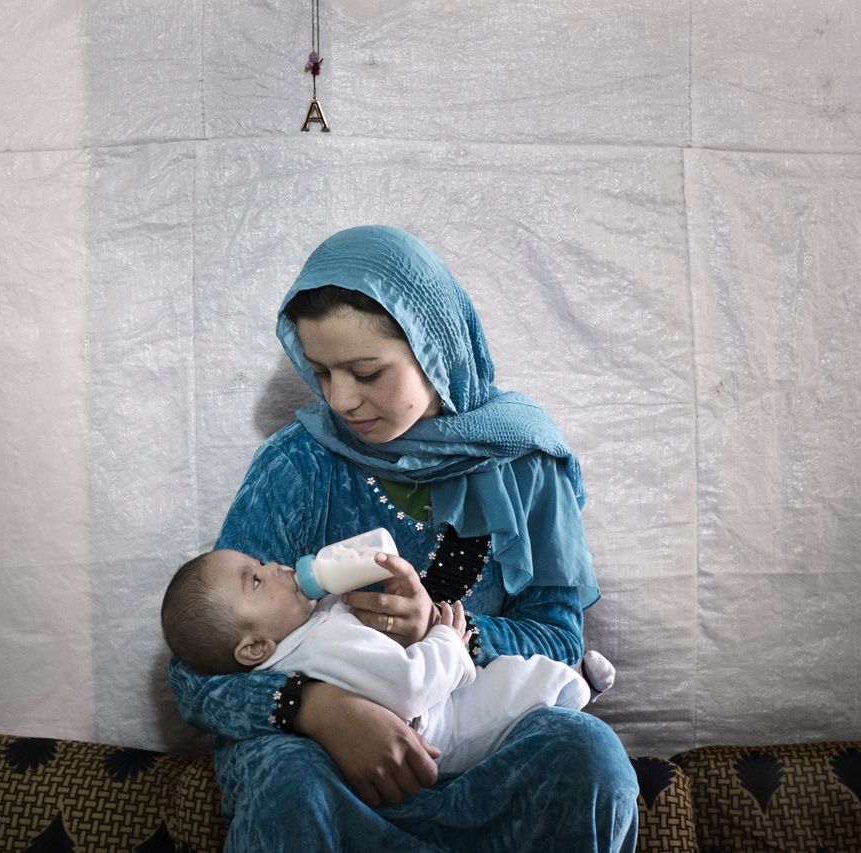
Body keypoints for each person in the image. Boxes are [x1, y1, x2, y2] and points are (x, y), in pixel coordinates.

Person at [169, 225, 639, 851]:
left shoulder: (525, 466)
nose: (341, 400)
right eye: (321, 373)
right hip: (329, 765)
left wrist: (450, 632)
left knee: (589, 755)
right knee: (286, 781)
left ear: (435, 349)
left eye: (366, 372)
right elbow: (198, 667)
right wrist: (317, 710)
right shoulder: (300, 465)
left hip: (478, 750)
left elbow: (557, 640)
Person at [161, 547, 592, 775]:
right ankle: (577, 685)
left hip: (434, 705)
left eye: (259, 562)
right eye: (256, 579)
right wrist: (447, 638)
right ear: (254, 648)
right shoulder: (322, 643)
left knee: (507, 680)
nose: (274, 565)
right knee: (513, 688)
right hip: (442, 729)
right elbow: (410, 686)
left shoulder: (298, 635)